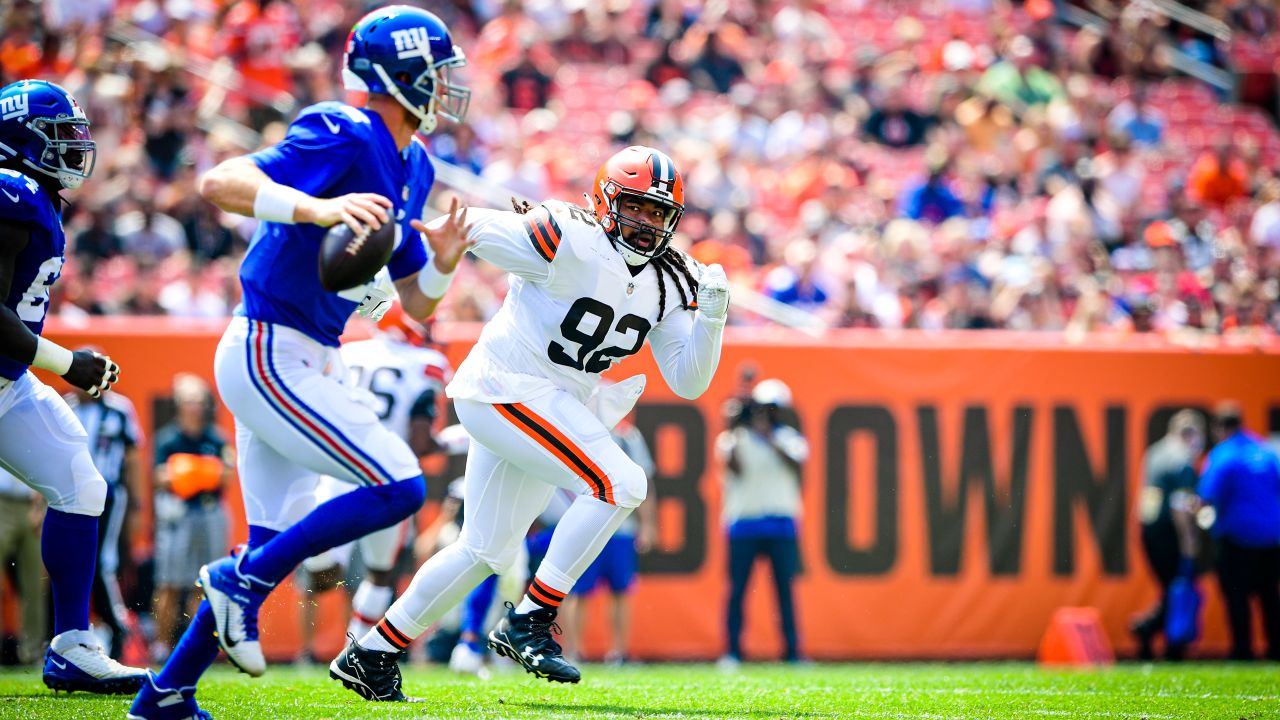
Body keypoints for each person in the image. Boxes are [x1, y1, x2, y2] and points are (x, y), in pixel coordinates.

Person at [128, 7, 474, 718]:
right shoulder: (343, 129)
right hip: (268, 345)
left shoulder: (417, 162)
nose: (445, 87)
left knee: (276, 543)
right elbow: (220, 183)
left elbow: (418, 300)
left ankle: (164, 693)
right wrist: (318, 211)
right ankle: (238, 585)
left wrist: (439, 265)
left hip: (311, 354)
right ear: (400, 73)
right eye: (436, 73)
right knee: (400, 485)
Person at [331, 144, 729, 700]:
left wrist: (711, 318)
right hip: (507, 387)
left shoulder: (671, 281)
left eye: (660, 213)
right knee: (622, 483)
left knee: (485, 551)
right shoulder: (568, 235)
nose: (648, 222)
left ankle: (371, 655)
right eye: (637, 206)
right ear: (608, 199)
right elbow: (461, 229)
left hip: (544, 403)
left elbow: (689, 381)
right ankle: (530, 621)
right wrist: (391, 272)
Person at [0, 79, 147, 693]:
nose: (77, 147)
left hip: (5, 383)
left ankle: (71, 646)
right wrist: (68, 363)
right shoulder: (9, 193)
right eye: (62, 135)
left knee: (80, 482)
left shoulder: (34, 195)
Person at [296, 304, 453, 658]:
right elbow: (419, 440)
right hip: (388, 478)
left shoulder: (347, 353)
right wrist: (449, 441)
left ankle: (322, 566)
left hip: (338, 468)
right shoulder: (425, 364)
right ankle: (359, 651)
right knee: (381, 574)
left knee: (320, 565)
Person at [717, 379, 807, 667]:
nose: (767, 414)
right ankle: (732, 652)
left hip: (781, 524)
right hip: (744, 523)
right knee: (738, 590)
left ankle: (792, 652)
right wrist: (733, 427)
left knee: (784, 591)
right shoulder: (733, 439)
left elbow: (796, 463)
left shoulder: (790, 438)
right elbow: (734, 468)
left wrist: (769, 436)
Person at [561, 411, 656, 665]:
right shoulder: (576, 432)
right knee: (578, 591)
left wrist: (646, 524)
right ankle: (574, 651)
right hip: (586, 524)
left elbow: (643, 481)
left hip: (621, 528)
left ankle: (619, 652)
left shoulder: (627, 436)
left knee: (620, 591)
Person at [150, 374, 229, 663]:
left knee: (204, 583)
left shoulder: (215, 437)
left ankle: (196, 646)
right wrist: (204, 472)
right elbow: (160, 477)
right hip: (177, 514)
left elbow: (227, 473)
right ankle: (160, 643)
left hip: (209, 512)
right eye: (189, 400)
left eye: (199, 400)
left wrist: (185, 472)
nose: (195, 406)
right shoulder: (168, 438)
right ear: (179, 404)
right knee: (169, 582)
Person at [1195, 402, 1280, 661]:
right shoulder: (1267, 451)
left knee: (1237, 597)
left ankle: (1242, 650)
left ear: (1219, 427)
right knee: (1269, 598)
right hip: (1272, 538)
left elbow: (1207, 498)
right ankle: (1275, 649)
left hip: (1238, 539)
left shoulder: (1223, 456)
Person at [65, 384, 144, 660]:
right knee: (68, 562)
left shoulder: (118, 409)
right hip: (69, 493)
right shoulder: (67, 405)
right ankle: (67, 634)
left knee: (101, 562)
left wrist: (137, 505)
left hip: (107, 492)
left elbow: (133, 457)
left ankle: (117, 627)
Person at [1131, 410, 1204, 660]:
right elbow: (1180, 505)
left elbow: (1147, 497)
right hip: (1169, 532)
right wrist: (1188, 541)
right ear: (1190, 434)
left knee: (1170, 588)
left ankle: (1148, 630)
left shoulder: (1154, 452)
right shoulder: (1182, 458)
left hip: (1149, 529)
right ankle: (1162, 637)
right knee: (1179, 587)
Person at [0, 467, 45, 665]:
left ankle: (32, 653)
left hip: (32, 503)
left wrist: (42, 504)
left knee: (34, 583)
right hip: (2, 500)